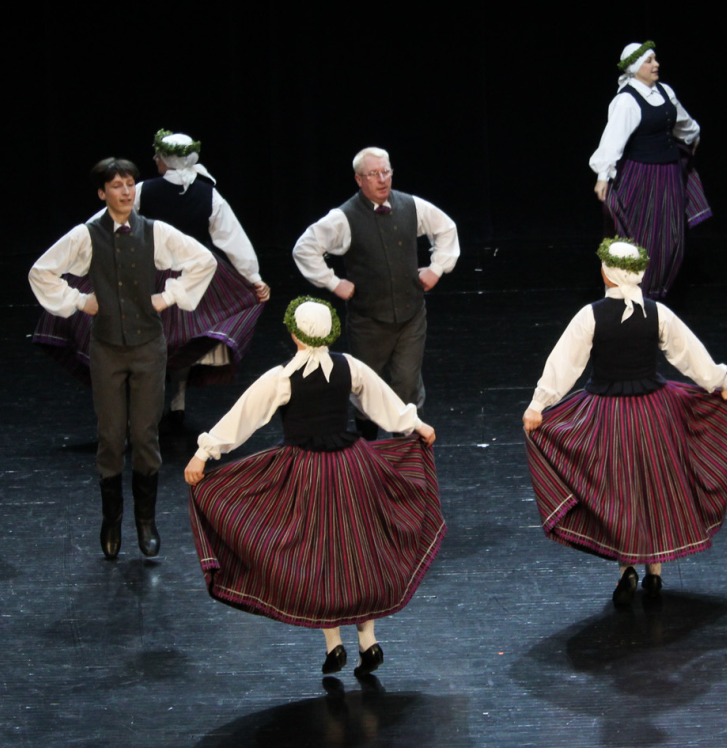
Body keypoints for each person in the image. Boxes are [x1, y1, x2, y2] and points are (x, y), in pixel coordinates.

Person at [184, 297, 443, 678]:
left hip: (308, 474)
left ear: (294, 334)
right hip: (352, 467)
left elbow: (244, 416)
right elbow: (381, 400)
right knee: (360, 548)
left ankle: (333, 643)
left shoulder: (282, 378)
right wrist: (415, 425)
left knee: (318, 554)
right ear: (331, 332)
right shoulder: (348, 366)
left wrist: (204, 453)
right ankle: (368, 641)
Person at [522, 239, 727, 606]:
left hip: (608, 417)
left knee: (621, 491)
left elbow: (565, 363)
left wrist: (539, 405)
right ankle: (654, 571)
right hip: (654, 414)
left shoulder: (591, 316)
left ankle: (626, 569)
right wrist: (722, 382)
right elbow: (688, 353)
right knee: (655, 486)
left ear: (607, 274)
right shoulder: (657, 313)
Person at [29, 157, 217, 559]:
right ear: (102, 193)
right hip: (107, 348)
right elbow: (41, 272)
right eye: (116, 185)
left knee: (146, 436)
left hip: (148, 347)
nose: (126, 191)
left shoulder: (154, 232)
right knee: (112, 436)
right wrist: (79, 300)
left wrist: (167, 297)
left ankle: (145, 521)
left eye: (130, 183)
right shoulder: (87, 235)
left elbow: (204, 261)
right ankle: (111, 519)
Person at [32, 130, 271, 435]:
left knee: (156, 339)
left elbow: (104, 221)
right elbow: (232, 238)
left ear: (164, 159)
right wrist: (253, 277)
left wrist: (91, 245)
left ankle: (141, 407)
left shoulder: (145, 190)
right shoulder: (208, 194)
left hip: (152, 273)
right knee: (184, 335)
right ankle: (175, 399)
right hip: (189, 274)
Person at [292, 147, 458, 435]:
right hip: (368, 320)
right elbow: (304, 248)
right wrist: (333, 282)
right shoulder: (344, 217)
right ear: (359, 179)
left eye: (386, 172)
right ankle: (368, 448)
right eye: (373, 174)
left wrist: (437, 268)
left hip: (410, 315)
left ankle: (406, 448)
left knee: (407, 384)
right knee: (367, 386)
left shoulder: (411, 206)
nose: (382, 179)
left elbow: (446, 228)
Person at [589, 42, 712, 298]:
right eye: (649, 61)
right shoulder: (626, 101)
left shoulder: (665, 91)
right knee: (639, 234)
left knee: (670, 236)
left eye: (655, 59)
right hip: (641, 176)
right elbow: (613, 140)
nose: (656, 64)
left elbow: (683, 122)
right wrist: (603, 175)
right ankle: (629, 290)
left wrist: (693, 135)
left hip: (669, 175)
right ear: (635, 68)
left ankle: (655, 290)